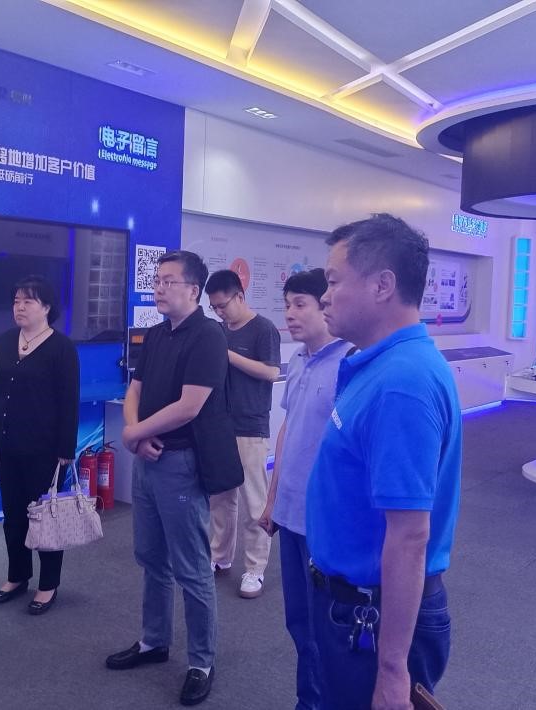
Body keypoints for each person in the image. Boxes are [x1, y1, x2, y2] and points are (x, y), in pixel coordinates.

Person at [306, 215, 462, 709]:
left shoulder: (402, 384)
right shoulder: (381, 364)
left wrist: (392, 670)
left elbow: (410, 535)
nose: (324, 296)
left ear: (382, 285)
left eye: (333, 281)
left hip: (371, 619)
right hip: (352, 605)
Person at [105, 250, 242, 707]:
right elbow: (135, 390)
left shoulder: (208, 336)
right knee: (151, 558)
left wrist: (133, 434)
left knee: (191, 567)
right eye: (157, 281)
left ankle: (201, 661)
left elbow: (189, 406)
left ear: (193, 289)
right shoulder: (156, 334)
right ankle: (154, 641)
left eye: (168, 281)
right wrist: (136, 436)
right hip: (148, 459)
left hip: (181, 464)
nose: (159, 288)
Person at [257, 268, 349, 710]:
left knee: (328, 626)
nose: (290, 314)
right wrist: (273, 499)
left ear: (325, 306)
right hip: (290, 516)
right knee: (299, 623)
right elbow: (288, 430)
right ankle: (308, 700)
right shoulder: (297, 360)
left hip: (325, 522)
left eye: (300, 304)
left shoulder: (349, 364)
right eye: (287, 305)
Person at [0, 276, 79, 616]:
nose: (19, 307)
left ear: (46, 307)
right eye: (16, 301)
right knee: (13, 515)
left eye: (28, 301)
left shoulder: (62, 348)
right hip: (7, 446)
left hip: (44, 450)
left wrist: (66, 448)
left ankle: (48, 584)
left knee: (45, 518)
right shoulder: (5, 341)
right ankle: (17, 575)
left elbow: (69, 402)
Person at [203, 269, 281, 599]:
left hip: (251, 424)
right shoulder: (218, 331)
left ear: (240, 296)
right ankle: (219, 557)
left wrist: (228, 354)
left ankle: (255, 568)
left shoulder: (264, 329)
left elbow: (271, 372)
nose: (219, 312)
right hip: (220, 425)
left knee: (254, 502)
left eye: (223, 305)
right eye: (214, 307)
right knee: (221, 500)